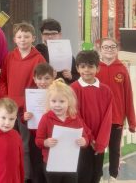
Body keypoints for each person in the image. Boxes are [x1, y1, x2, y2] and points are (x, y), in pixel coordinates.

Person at [0, 22, 45, 182]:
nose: (23, 39)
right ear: (14, 39)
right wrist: (6, 99)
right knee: (9, 143)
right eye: (19, 37)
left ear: (33, 38)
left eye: (26, 36)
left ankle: (26, 177)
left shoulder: (39, 58)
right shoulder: (10, 57)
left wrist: (30, 106)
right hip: (10, 109)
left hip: (27, 111)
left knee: (26, 146)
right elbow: (2, 80)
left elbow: (43, 84)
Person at [96, 38, 136, 182]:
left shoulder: (122, 69)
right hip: (98, 118)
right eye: (106, 47)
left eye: (112, 47)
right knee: (98, 148)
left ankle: (113, 176)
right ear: (100, 49)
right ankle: (98, 176)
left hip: (116, 117)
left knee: (115, 150)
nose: (109, 49)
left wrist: (132, 122)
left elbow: (128, 96)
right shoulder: (95, 69)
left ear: (117, 49)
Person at [71, 50, 113, 183]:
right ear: (77, 68)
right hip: (81, 141)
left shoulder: (106, 90)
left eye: (90, 66)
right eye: (82, 66)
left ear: (98, 68)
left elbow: (108, 118)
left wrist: (100, 142)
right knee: (83, 175)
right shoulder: (73, 89)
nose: (87, 70)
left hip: (98, 143)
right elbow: (75, 116)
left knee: (96, 174)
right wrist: (88, 137)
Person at [36, 79, 89, 183]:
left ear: (69, 102)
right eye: (54, 101)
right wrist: (45, 142)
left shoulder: (75, 118)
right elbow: (38, 140)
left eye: (62, 101)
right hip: (51, 164)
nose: (57, 105)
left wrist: (84, 141)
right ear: (49, 101)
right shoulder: (45, 118)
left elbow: (85, 138)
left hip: (70, 164)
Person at [24, 63, 55, 183]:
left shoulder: (57, 94)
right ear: (34, 79)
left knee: (50, 168)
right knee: (37, 168)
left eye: (47, 78)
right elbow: (24, 114)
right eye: (40, 78)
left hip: (52, 137)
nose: (43, 82)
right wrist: (24, 117)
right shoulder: (31, 95)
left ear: (53, 78)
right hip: (35, 136)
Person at [35, 18, 79, 84]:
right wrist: (48, 75)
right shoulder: (37, 52)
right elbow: (33, 73)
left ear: (60, 35)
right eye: (46, 34)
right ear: (42, 35)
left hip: (63, 90)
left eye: (53, 33)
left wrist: (71, 76)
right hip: (43, 90)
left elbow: (78, 75)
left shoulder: (66, 51)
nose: (50, 36)